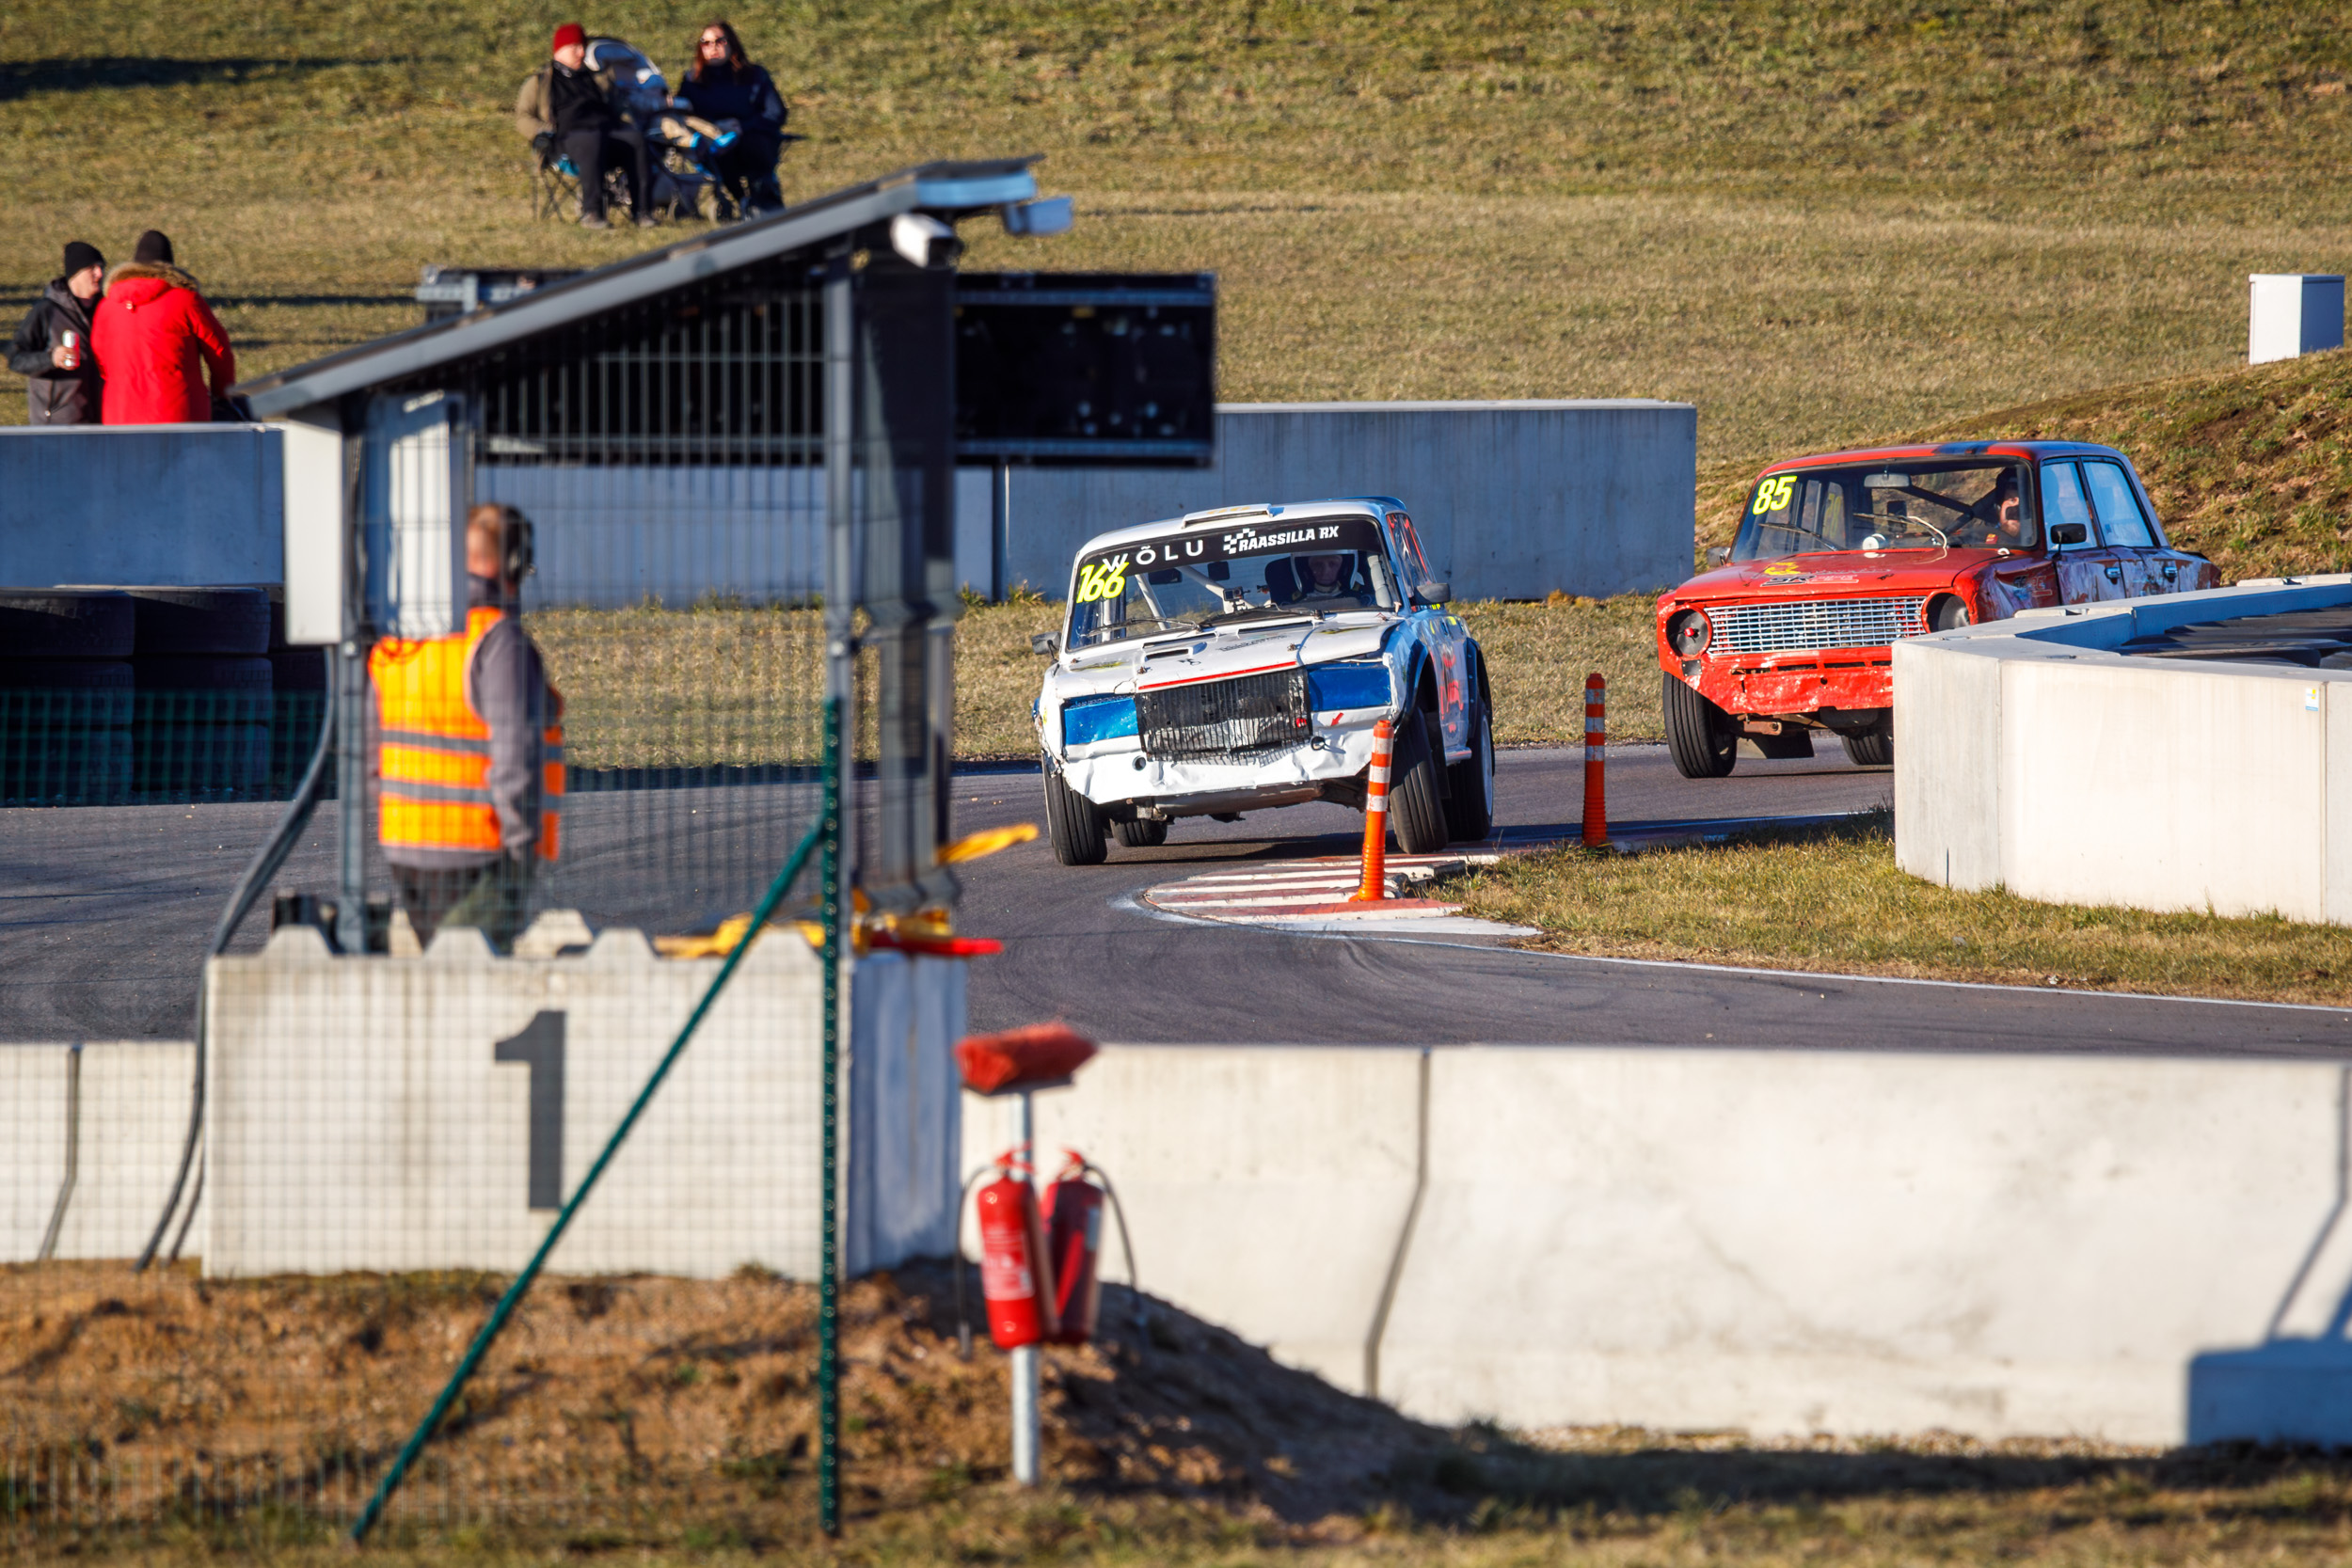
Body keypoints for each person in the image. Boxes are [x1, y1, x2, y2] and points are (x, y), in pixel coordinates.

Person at [371, 504, 565, 950]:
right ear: (511, 565)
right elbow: (516, 758)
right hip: (480, 854)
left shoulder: (399, 639)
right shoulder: (497, 642)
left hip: (405, 852)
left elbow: (366, 752)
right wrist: (522, 848)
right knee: (472, 982)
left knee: (442, 973)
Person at [516, 23, 654, 229]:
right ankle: (592, 212)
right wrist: (541, 132)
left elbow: (619, 106)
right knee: (591, 140)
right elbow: (522, 117)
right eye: (575, 47)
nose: (582, 53)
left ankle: (643, 212)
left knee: (636, 140)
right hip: (567, 138)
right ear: (559, 50)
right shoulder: (540, 82)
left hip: (607, 132)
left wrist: (628, 121)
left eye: (583, 47)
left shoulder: (598, 77)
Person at [90, 230, 235, 425]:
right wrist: (222, 393)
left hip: (120, 413)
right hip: (179, 412)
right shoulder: (186, 301)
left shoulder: (107, 306)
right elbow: (219, 351)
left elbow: (101, 361)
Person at [672, 19, 787, 217]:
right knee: (720, 150)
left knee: (752, 146)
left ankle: (766, 202)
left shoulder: (754, 75)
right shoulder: (693, 82)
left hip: (755, 136)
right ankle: (743, 201)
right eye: (705, 42)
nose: (713, 47)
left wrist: (742, 127)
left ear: (732, 43)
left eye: (720, 41)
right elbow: (686, 116)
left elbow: (776, 112)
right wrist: (717, 126)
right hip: (715, 140)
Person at [8, 241, 106, 425]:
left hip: (101, 421)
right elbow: (16, 359)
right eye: (92, 268)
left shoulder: (106, 309)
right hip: (58, 424)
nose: (99, 274)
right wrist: (51, 359)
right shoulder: (47, 311)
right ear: (75, 273)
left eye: (101, 268)